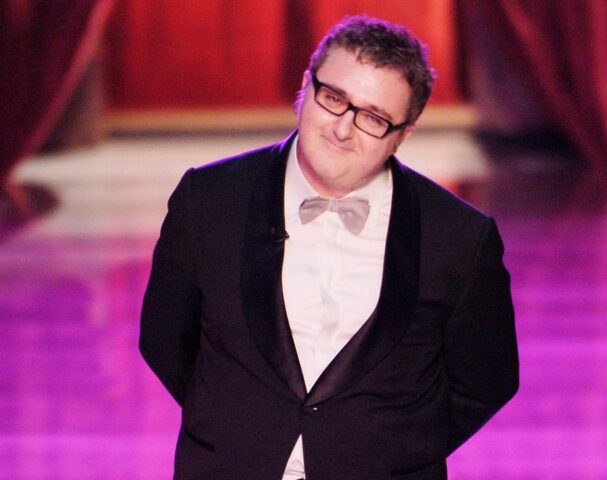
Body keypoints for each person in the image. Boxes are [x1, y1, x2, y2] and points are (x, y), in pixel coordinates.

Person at [140, 15, 518, 480]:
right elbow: (164, 339)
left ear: (404, 134)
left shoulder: (459, 237)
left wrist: (396, 449)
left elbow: (485, 380)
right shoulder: (209, 200)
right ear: (305, 86)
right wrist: (235, 428)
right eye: (334, 98)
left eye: (373, 118)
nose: (343, 129)